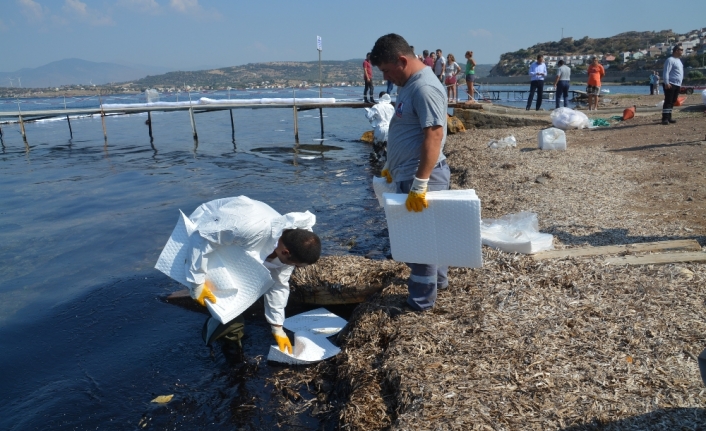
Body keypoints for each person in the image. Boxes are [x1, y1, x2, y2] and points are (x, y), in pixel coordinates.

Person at [180, 196, 322, 356]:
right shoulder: (250, 228)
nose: (293, 268)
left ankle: (231, 337)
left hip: (238, 247)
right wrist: (196, 283)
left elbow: (278, 284)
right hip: (207, 227)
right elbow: (201, 238)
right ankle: (223, 334)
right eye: (294, 264)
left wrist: (277, 327)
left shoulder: (288, 246)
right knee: (225, 299)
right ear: (285, 252)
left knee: (242, 292)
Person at [370, 33, 450, 312]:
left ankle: (420, 303)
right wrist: (392, 166)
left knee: (421, 243)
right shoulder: (410, 84)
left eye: (387, 71)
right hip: (408, 172)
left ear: (402, 61)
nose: (387, 78)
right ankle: (438, 285)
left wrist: (420, 182)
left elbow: (434, 135)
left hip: (422, 176)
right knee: (428, 236)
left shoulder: (424, 87)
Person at [365, 91, 395, 161]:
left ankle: (374, 166)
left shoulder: (377, 106)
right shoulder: (391, 106)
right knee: (386, 147)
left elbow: (368, 116)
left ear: (379, 97)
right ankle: (386, 165)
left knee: (376, 148)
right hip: (390, 129)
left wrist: (368, 112)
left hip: (380, 128)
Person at [662, 44, 684, 125]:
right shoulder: (670, 60)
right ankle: (665, 118)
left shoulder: (679, 60)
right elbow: (666, 72)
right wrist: (667, 83)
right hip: (670, 84)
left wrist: (680, 84)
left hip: (677, 84)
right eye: (681, 50)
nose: (682, 51)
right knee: (668, 101)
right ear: (676, 50)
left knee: (673, 101)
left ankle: (669, 117)